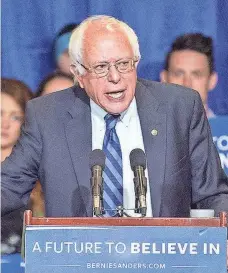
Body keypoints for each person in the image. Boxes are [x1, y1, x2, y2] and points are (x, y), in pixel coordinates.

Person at [1, 16, 228, 219]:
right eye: (101, 67)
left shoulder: (180, 108)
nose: (115, 77)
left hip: (162, 259)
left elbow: (212, 195)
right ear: (79, 73)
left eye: (123, 64)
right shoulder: (47, 116)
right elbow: (8, 187)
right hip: (79, 261)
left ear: (136, 62)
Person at [160, 33, 218, 118]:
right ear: (164, 78)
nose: (187, 84)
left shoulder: (224, 129)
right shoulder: (141, 129)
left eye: (197, 75)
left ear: (212, 81)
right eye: (178, 74)